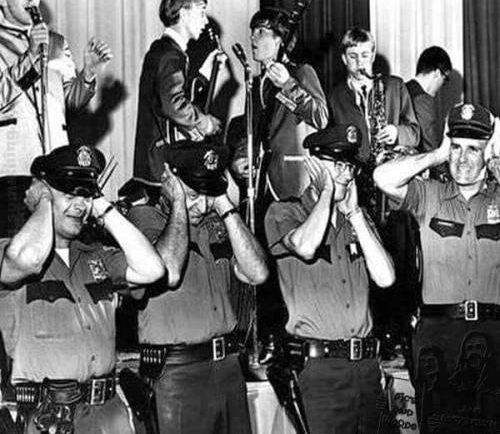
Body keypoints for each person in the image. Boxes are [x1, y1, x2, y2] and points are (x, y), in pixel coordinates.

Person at [0, 144, 165, 434]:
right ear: (46, 193)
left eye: (86, 195)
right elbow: (27, 259)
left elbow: (152, 270)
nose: (80, 205)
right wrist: (44, 202)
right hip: (47, 419)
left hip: (109, 415)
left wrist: (102, 207)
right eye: (70, 194)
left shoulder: (96, 255)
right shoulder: (10, 253)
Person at [127, 140, 269, 434]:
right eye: (193, 194)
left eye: (208, 195)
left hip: (228, 369)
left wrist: (226, 207)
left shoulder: (213, 221)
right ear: (170, 183)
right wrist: (179, 202)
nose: (202, 206)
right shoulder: (145, 219)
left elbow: (257, 273)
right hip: (178, 375)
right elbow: (170, 271)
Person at [374, 103, 500, 432]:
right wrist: (436, 154)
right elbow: (381, 177)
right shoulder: (429, 196)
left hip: (495, 336)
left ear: (488, 152)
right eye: (456, 147)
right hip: (439, 339)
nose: (462, 158)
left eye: (474, 149)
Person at [265, 124, 395, 434]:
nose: (346, 174)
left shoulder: (357, 221)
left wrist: (356, 215)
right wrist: (325, 191)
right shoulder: (285, 212)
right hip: (319, 373)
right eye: (337, 165)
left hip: (365, 369)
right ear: (314, 165)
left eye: (349, 166)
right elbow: (306, 247)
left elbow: (386, 277)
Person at [0, 0, 112, 235]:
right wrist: (30, 55)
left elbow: (71, 104)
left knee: (58, 247)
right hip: (14, 166)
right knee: (17, 246)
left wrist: (88, 73)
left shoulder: (57, 43)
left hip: (58, 167)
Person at [228, 7, 329, 203]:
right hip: (261, 181)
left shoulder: (301, 73)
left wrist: (288, 85)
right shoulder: (256, 83)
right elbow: (252, 125)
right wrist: (241, 156)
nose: (252, 39)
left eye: (260, 32)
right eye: (252, 33)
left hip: (292, 180)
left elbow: (321, 117)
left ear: (279, 40)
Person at [133, 0, 223, 183]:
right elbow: (174, 105)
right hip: (161, 165)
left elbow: (166, 101)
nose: (205, 21)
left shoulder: (164, 50)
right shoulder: (171, 55)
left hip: (154, 161)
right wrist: (205, 123)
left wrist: (204, 73)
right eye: (201, 12)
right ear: (184, 13)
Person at [329, 27, 419, 164]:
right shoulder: (335, 96)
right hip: (354, 173)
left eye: (365, 55)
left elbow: (415, 134)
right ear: (344, 59)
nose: (360, 63)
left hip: (390, 170)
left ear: (373, 55)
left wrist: (397, 132)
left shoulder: (396, 86)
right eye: (353, 56)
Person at [406, 46, 452, 153]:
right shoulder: (423, 100)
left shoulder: (403, 88)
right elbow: (430, 148)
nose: (442, 86)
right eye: (444, 80)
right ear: (437, 73)